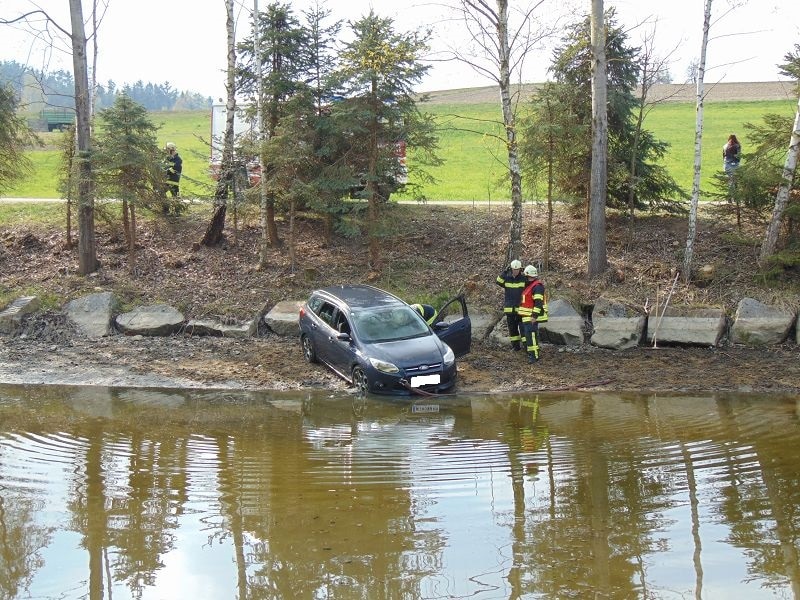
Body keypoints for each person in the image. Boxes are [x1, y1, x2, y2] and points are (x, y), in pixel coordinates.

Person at [518, 264, 548, 364]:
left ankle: (534, 356)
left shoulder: (537, 287)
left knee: (532, 337)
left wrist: (534, 316)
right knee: (529, 337)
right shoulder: (530, 286)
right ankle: (531, 354)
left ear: (528, 276)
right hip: (527, 317)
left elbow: (538, 303)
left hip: (531, 317)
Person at [496, 259, 526, 350]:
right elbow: (498, 281)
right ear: (511, 269)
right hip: (510, 310)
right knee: (512, 330)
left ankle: (526, 347)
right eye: (513, 269)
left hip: (520, 310)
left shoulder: (523, 279)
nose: (515, 271)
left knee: (523, 330)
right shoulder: (507, 279)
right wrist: (505, 271)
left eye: (517, 269)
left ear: (520, 269)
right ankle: (516, 347)